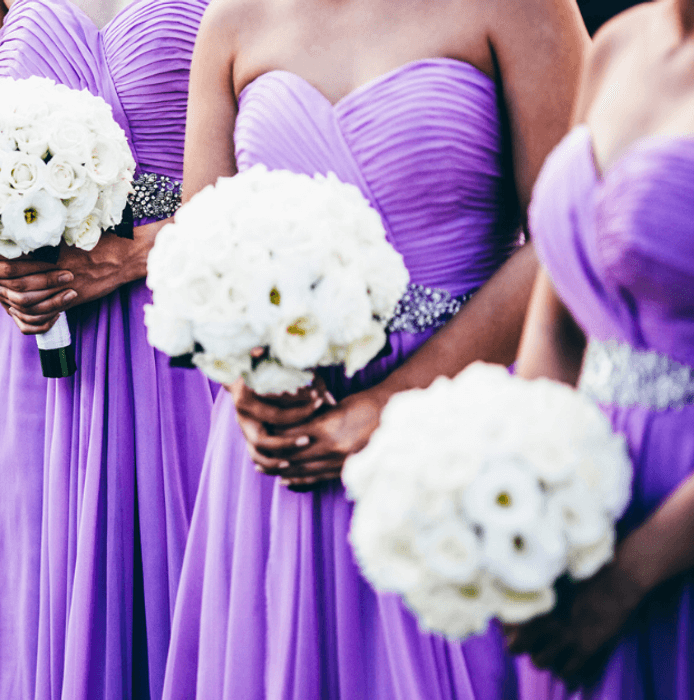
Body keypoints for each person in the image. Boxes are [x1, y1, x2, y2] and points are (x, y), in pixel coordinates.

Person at [161, 0, 587, 697]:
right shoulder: (232, 19)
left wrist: (388, 404)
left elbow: (561, 241)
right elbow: (201, 244)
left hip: (456, 435)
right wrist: (244, 385)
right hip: (288, 433)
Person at [0, 0, 215, 697]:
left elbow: (268, 167)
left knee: (184, 584)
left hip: (187, 330)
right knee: (41, 598)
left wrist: (132, 258)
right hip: (38, 348)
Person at [507, 1, 694, 697]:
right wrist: (527, 497)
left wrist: (628, 577)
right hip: (579, 519)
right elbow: (555, 318)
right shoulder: (619, 42)